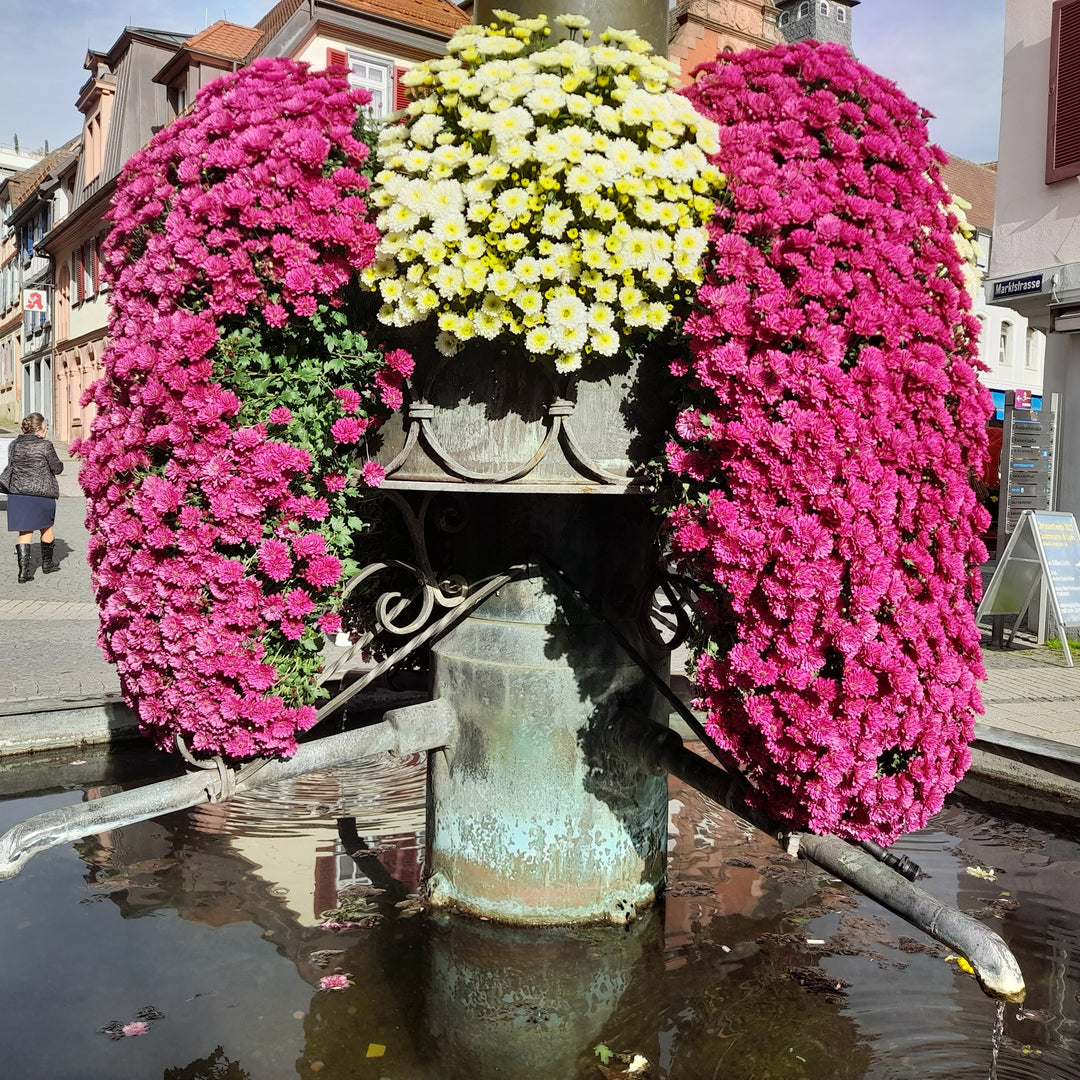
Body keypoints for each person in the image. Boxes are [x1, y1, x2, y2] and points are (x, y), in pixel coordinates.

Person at [5, 413, 63, 583]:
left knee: (25, 531)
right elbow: (57, 468)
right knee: (46, 527)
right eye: (46, 426)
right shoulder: (45, 445)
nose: (47, 429)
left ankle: (23, 573)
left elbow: (12, 465)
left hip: (18, 493)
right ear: (39, 428)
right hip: (42, 493)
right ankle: (47, 564)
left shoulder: (14, 445)